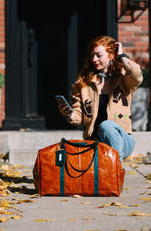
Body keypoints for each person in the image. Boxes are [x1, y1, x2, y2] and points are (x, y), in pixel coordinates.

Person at [58, 35, 143, 163]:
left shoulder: (123, 79)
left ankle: (115, 170)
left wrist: (122, 57)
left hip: (123, 140)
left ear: (111, 55)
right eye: (92, 56)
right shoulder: (84, 83)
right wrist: (69, 114)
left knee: (106, 126)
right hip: (94, 142)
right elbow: (78, 116)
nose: (94, 59)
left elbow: (136, 75)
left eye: (99, 55)